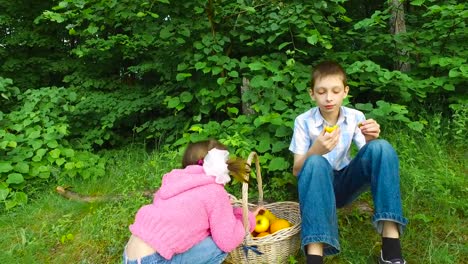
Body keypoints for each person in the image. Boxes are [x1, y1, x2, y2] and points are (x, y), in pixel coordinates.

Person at [289, 61, 408, 264]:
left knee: (382, 147)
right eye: (322, 91)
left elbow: (367, 159)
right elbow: (297, 170)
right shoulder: (303, 121)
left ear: (345, 91)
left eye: (335, 91)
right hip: (317, 188)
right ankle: (315, 257)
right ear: (312, 94)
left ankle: (391, 250)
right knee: (316, 162)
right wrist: (315, 150)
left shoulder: (355, 116)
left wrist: (372, 140)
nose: (329, 98)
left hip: (345, 183)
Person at [123, 139, 263, 264]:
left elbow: (186, 215)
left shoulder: (173, 182)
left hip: (129, 256)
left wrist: (225, 209)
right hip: (154, 260)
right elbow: (227, 240)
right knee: (219, 244)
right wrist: (246, 218)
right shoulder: (214, 191)